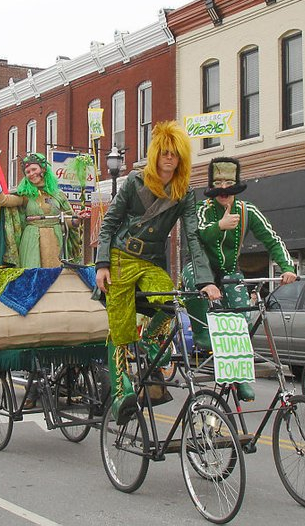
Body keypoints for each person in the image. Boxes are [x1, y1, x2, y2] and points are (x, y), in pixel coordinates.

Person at [95, 121, 222, 423]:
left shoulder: (184, 194)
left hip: (151, 262)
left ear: (181, 158)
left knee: (170, 302)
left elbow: (192, 237)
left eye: (174, 154)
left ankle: (152, 340)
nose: (169, 158)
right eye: (164, 153)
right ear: (156, 154)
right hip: (121, 258)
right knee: (121, 328)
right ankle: (121, 394)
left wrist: (205, 281)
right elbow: (110, 223)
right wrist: (102, 264)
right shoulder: (134, 182)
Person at [183, 157, 297, 401]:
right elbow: (198, 235)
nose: (224, 190)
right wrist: (220, 226)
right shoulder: (203, 210)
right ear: (212, 187)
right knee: (192, 279)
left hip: (229, 272)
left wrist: (287, 266)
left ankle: (240, 378)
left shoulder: (247, 211)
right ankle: (203, 332)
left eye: (228, 183)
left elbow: (271, 239)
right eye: (218, 184)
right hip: (203, 270)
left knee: (241, 317)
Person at [0, 152, 82, 268]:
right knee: (32, 272)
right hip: (32, 239)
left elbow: (67, 220)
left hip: (55, 238)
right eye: (27, 172)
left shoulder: (58, 195)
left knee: (56, 274)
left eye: (33, 169)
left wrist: (76, 219)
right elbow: (3, 200)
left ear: (43, 169)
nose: (31, 174)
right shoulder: (25, 195)